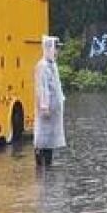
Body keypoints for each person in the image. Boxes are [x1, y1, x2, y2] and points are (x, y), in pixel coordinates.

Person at [33, 35, 66, 166]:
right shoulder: (42, 66)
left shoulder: (53, 65)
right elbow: (42, 88)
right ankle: (40, 168)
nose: (58, 51)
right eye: (56, 48)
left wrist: (60, 102)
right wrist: (44, 106)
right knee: (42, 139)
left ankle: (48, 166)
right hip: (46, 111)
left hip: (54, 111)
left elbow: (57, 87)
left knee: (50, 140)